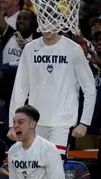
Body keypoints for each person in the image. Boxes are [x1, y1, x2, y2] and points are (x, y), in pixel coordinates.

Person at [8, 31, 96, 160]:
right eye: (45, 24)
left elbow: (89, 88)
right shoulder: (30, 49)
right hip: (35, 122)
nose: (48, 29)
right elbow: (20, 88)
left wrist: (84, 122)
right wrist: (13, 124)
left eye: (52, 23)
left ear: (58, 24)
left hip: (62, 123)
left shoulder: (73, 49)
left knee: (55, 169)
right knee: (35, 172)